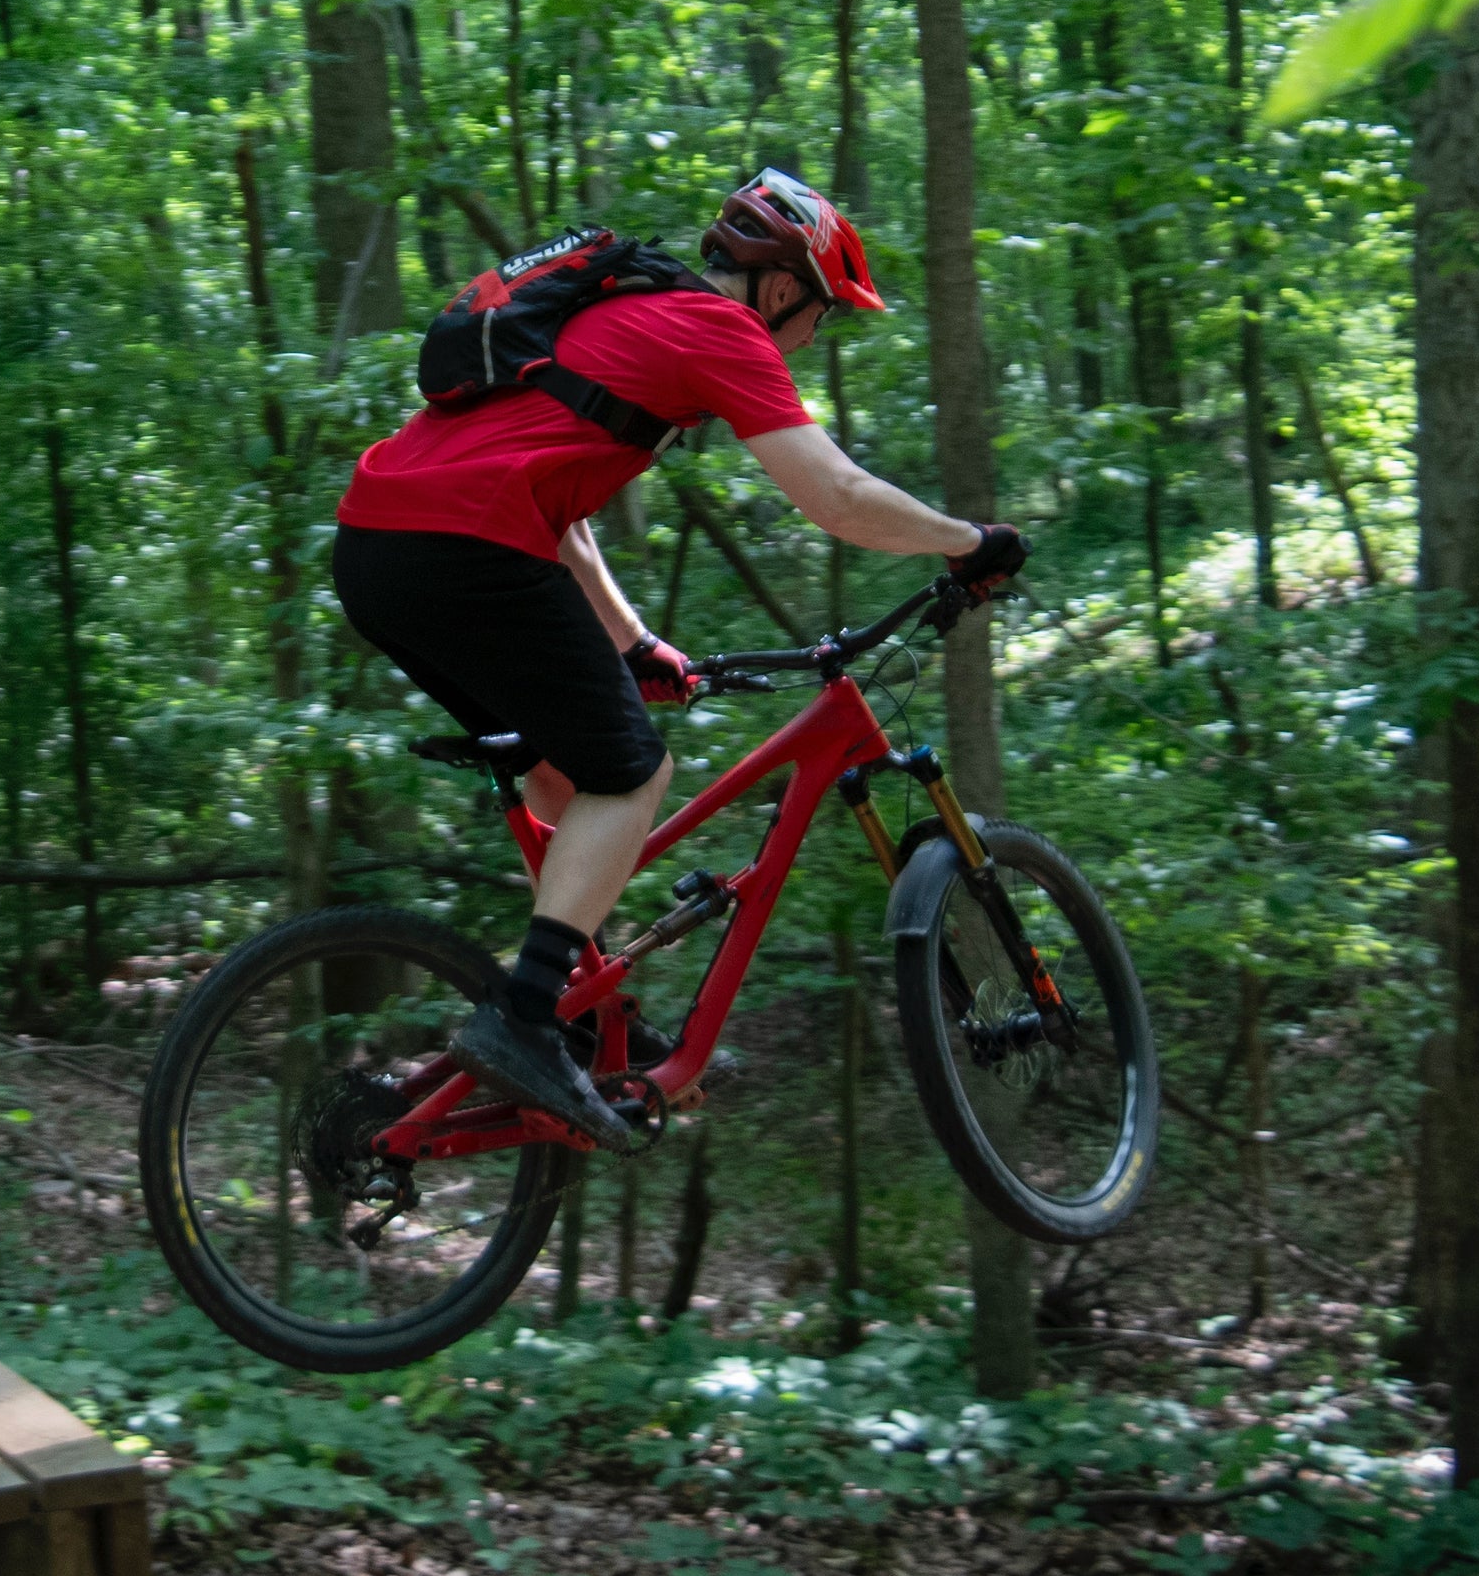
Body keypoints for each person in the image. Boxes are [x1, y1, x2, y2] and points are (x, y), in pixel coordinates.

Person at [330, 166, 1026, 1150]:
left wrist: (634, 641)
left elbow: (561, 522)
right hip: (465, 547)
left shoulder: (619, 318)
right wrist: (967, 542)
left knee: (568, 776)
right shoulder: (720, 331)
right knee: (635, 771)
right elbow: (834, 496)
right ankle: (526, 1017)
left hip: (379, 550)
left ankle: (580, 1014)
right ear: (782, 288)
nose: (812, 339)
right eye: (819, 315)